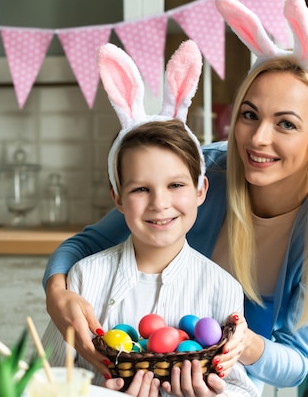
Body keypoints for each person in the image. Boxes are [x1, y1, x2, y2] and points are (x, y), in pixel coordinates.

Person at [42, 0, 308, 395]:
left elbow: (296, 359)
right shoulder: (203, 169)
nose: (258, 139)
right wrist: (58, 294)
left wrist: (242, 346)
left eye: (286, 124)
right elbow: (87, 244)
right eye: (250, 115)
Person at [42, 39, 260, 397]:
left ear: (200, 190)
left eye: (175, 185)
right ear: (118, 198)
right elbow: (45, 382)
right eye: (141, 189)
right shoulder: (85, 279)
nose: (160, 203)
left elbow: (243, 390)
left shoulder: (222, 289)